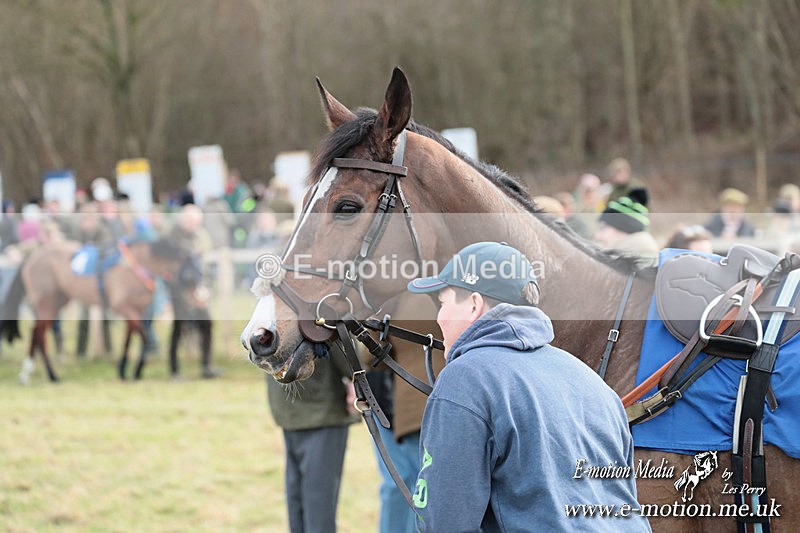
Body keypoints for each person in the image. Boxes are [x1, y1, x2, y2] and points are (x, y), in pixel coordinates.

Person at [406, 242, 650, 532]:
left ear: (473, 304)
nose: (439, 318)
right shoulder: (590, 380)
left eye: (443, 303)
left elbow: (445, 522)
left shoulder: (466, 378)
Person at [267, 343, 358, 533]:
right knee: (318, 505)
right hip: (322, 410)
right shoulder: (319, 311)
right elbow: (353, 364)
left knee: (298, 500)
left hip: (287, 409)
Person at [593, 191, 659, 264]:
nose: (597, 236)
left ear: (623, 228)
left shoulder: (641, 265)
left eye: (602, 228)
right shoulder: (631, 257)